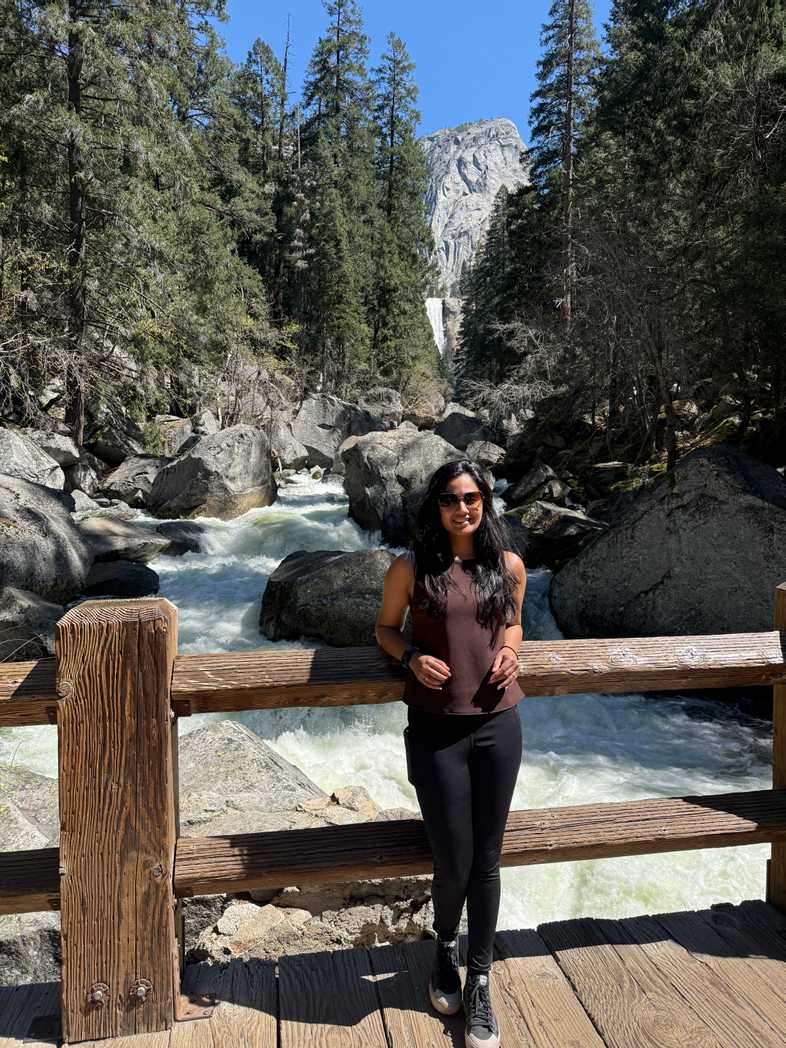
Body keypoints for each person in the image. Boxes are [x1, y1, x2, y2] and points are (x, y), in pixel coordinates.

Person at [375, 459, 526, 1048]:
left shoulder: (508, 566)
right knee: (452, 856)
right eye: (449, 499)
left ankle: (481, 976)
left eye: (471, 497)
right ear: (434, 507)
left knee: (488, 857)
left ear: (485, 501)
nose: (462, 508)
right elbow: (384, 629)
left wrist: (513, 651)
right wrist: (410, 656)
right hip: (436, 728)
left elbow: (512, 626)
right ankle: (445, 949)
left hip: (499, 724)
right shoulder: (410, 567)